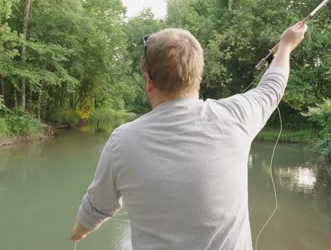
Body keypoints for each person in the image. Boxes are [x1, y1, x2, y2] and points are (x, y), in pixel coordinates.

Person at [70, 21, 308, 250]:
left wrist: (80, 231)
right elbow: (272, 86)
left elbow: (97, 208)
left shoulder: (121, 141)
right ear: (199, 76)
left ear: (148, 81)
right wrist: (286, 45)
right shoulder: (236, 116)